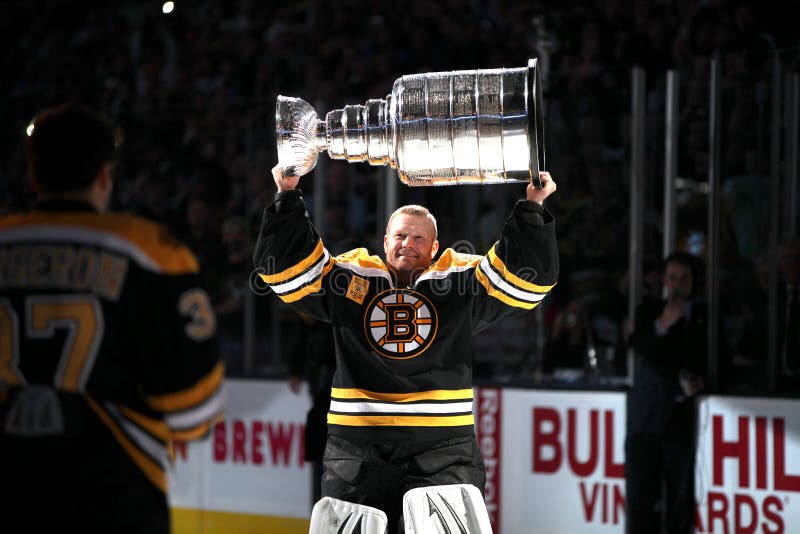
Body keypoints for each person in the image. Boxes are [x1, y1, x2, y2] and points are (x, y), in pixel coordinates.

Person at [255, 163, 558, 533]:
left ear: (434, 247)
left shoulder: (459, 282)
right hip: (358, 446)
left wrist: (532, 206)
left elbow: (525, 280)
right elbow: (288, 274)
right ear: (385, 242)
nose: (407, 244)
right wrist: (287, 196)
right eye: (400, 236)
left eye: (418, 239)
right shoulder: (352, 278)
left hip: (443, 449)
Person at [0, 104, 225, 533]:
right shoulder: (151, 251)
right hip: (111, 498)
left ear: (32, 173)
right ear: (105, 176)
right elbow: (196, 409)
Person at [624, 251, 709, 534]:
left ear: (693, 282)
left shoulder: (703, 315)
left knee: (680, 497)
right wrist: (663, 324)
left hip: (681, 416)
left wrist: (703, 381)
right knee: (640, 497)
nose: (677, 284)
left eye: (683, 279)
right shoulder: (650, 309)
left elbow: (715, 359)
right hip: (646, 416)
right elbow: (638, 343)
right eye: (672, 278)